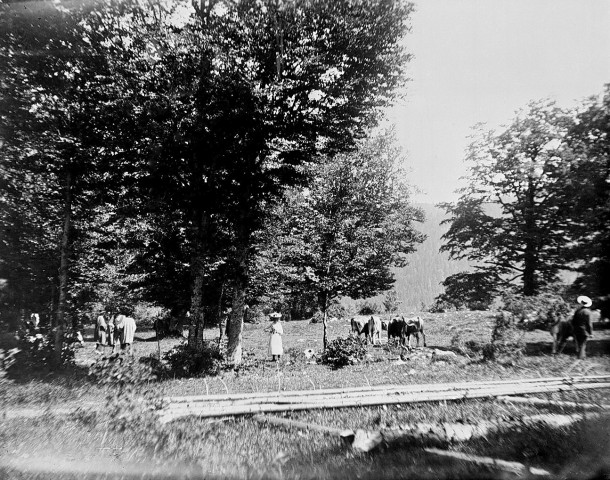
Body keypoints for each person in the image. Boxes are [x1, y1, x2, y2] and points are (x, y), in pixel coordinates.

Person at [572, 295, 594, 359]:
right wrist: (591, 333)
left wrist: (574, 328)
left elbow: (573, 322)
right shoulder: (588, 312)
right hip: (584, 331)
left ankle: (581, 356)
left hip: (576, 330)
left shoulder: (577, 311)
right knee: (582, 344)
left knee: (579, 344)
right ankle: (580, 358)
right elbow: (589, 324)